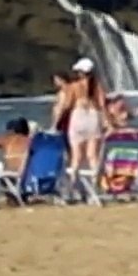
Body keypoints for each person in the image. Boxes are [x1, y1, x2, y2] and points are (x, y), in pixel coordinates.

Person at [60, 58, 107, 188]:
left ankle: (72, 185)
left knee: (76, 156)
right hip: (93, 117)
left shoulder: (74, 86)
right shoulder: (98, 86)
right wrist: (108, 122)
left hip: (78, 116)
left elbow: (67, 105)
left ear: (80, 72)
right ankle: (96, 185)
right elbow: (102, 105)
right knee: (92, 156)